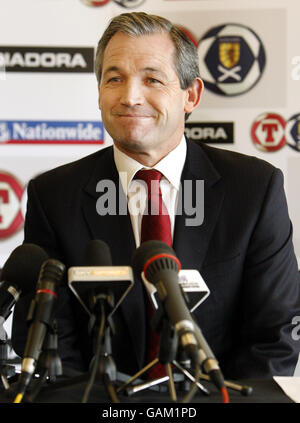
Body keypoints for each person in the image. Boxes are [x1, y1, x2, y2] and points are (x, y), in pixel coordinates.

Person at [12, 12, 300, 381]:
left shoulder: (254, 188)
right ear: (99, 91)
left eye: (152, 79)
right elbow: (49, 338)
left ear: (190, 95)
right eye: (114, 78)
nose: (131, 97)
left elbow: (275, 334)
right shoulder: (53, 195)